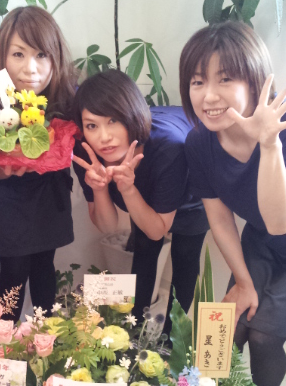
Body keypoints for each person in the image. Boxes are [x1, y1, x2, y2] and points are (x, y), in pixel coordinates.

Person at [180, 21, 286, 386]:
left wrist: (270, 144)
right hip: (263, 242)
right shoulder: (199, 142)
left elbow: (281, 220)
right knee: (227, 321)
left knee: (263, 334)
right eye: (198, 81)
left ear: (254, 81)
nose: (209, 96)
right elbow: (219, 218)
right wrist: (244, 282)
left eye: (225, 79)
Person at [71, 69, 208, 331]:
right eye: (92, 125)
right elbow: (108, 226)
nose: (104, 137)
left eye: (113, 121)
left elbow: (158, 230)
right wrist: (100, 189)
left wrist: (128, 190)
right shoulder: (86, 153)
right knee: (144, 249)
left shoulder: (171, 148)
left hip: (191, 195)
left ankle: (171, 336)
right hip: (139, 188)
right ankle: (133, 329)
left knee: (184, 258)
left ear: (132, 115)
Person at [0, 6, 77, 321]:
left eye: (42, 55)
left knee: (44, 263)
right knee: (14, 268)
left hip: (49, 192)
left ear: (56, 56)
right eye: (18, 54)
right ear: (2, 54)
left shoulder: (66, 93)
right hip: (7, 196)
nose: (31, 68)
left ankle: (47, 339)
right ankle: (3, 343)